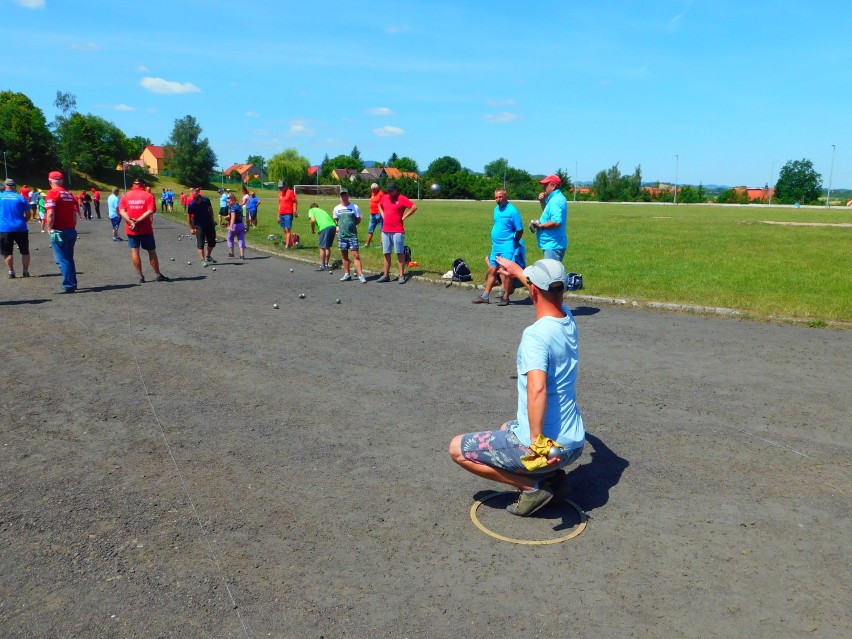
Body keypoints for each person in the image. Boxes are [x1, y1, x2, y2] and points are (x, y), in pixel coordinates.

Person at [449, 258, 586, 516]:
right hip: (573, 445)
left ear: (533, 290)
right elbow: (544, 291)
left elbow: (537, 389)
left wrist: (538, 443)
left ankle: (533, 486)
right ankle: (554, 478)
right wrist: (518, 272)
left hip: (549, 449)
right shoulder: (567, 318)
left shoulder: (536, 336)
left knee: (457, 449)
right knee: (507, 427)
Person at [473, 188, 524, 307]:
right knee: (492, 270)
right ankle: (485, 296)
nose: (498, 199)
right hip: (496, 246)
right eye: (496, 197)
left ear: (506, 197)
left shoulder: (513, 211)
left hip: (507, 246)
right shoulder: (496, 210)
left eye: (500, 197)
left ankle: (505, 296)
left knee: (506, 272)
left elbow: (520, 229)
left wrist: (515, 241)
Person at [119, 178, 169, 283]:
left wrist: (131, 221)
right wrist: (137, 221)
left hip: (131, 229)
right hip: (145, 228)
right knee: (151, 251)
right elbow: (150, 210)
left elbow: (122, 211)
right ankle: (157, 274)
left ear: (133, 184)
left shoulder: (126, 195)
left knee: (134, 251)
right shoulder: (148, 195)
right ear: (143, 185)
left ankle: (140, 276)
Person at [43, 171, 81, 293]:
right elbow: (74, 214)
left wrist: (49, 228)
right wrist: (72, 227)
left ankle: (69, 285)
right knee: (69, 258)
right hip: (71, 229)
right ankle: (72, 282)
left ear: (50, 181)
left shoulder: (52, 193)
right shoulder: (68, 194)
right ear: (62, 181)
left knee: (62, 259)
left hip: (59, 230)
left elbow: (50, 213)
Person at [377, 182, 416, 283]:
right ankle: (386, 275)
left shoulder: (402, 198)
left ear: (396, 190)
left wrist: (404, 217)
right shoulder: (385, 197)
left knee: (399, 253)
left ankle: (401, 275)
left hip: (398, 230)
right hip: (386, 230)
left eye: (391, 191)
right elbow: (379, 205)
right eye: (388, 191)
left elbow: (413, 207)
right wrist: (383, 215)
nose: (389, 193)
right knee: (386, 253)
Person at [530, 174, 568, 262]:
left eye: (546, 185)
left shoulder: (555, 200)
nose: (544, 187)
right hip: (553, 244)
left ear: (553, 186)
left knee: (552, 275)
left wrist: (540, 226)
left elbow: (556, 222)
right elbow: (549, 214)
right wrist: (542, 201)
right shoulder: (556, 198)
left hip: (553, 244)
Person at [332, 189, 366, 283]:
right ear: (340, 196)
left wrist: (354, 225)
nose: (344, 197)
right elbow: (336, 220)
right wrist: (338, 227)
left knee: (356, 255)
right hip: (342, 236)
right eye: (342, 195)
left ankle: (360, 275)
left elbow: (358, 218)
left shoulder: (354, 207)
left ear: (348, 195)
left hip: (352, 235)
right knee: (344, 256)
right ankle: (347, 274)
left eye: (345, 195)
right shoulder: (336, 208)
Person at [0, 179, 32, 278]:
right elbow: (28, 214)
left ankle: (11, 272)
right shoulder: (21, 198)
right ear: (14, 186)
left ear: (5, 186)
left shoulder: (0, 197)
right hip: (20, 227)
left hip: (5, 228)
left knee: (7, 252)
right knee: (25, 251)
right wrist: (23, 221)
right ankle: (25, 271)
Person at [187, 187, 218, 267]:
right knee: (201, 243)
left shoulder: (206, 200)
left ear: (200, 198)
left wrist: (212, 220)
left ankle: (208, 256)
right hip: (198, 225)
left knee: (212, 242)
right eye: (195, 200)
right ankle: (202, 260)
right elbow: (189, 218)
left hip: (209, 224)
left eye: (198, 200)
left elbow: (211, 210)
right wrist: (191, 228)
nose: (197, 202)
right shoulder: (191, 205)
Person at [308, 202, 336, 271]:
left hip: (324, 227)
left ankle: (323, 265)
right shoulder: (322, 210)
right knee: (327, 246)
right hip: (333, 226)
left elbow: (312, 220)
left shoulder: (311, 210)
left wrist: (312, 230)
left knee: (322, 247)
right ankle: (326, 264)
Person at [277, 181, 298, 247]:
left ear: (285, 185)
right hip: (281, 214)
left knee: (287, 229)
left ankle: (287, 246)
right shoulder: (280, 194)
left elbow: (295, 202)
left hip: (288, 213)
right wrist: (278, 216)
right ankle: (289, 243)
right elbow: (279, 205)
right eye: (279, 187)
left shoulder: (290, 192)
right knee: (284, 230)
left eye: (281, 187)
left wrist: (294, 211)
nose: (280, 188)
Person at [226, 193, 247, 259]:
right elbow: (244, 216)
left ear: (232, 200)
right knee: (241, 239)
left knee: (230, 238)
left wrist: (231, 226)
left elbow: (233, 218)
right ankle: (242, 255)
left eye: (228, 202)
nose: (228, 203)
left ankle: (231, 253)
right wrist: (245, 226)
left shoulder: (233, 208)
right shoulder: (240, 206)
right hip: (241, 225)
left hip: (235, 225)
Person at [364, 182, 384, 248]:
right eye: (371, 189)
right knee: (370, 229)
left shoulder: (381, 193)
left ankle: (382, 244)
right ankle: (367, 244)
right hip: (372, 214)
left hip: (379, 214)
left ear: (377, 188)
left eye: (373, 189)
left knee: (381, 229)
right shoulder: (372, 193)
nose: (372, 190)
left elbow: (384, 202)